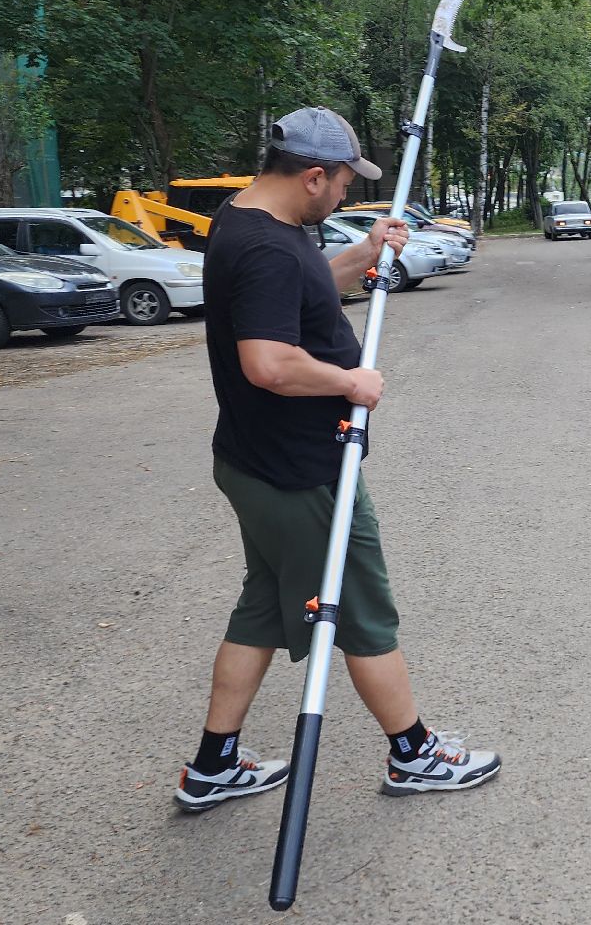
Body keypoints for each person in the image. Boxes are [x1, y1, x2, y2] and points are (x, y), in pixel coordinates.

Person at [175, 106, 501, 813]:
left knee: (263, 609)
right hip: (299, 474)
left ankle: (212, 766)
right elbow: (267, 361)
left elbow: (299, 291)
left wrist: (362, 255)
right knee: (362, 612)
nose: (349, 196)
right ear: (313, 175)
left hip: (254, 462)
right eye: (346, 183)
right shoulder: (264, 246)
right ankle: (413, 753)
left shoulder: (252, 220)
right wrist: (350, 382)